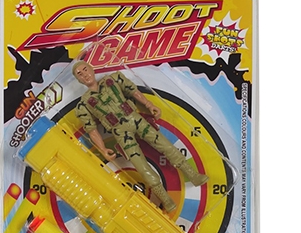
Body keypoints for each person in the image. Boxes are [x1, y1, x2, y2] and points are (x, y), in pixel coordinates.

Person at [72, 60, 208, 212]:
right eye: (79, 74)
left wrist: (149, 105)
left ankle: (193, 175)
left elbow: (133, 91)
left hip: (135, 119)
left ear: (91, 68)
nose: (84, 75)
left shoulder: (114, 79)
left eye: (85, 69)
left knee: (165, 145)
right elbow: (91, 129)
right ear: (78, 80)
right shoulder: (83, 104)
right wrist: (102, 149)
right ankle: (165, 199)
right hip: (120, 132)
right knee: (141, 166)